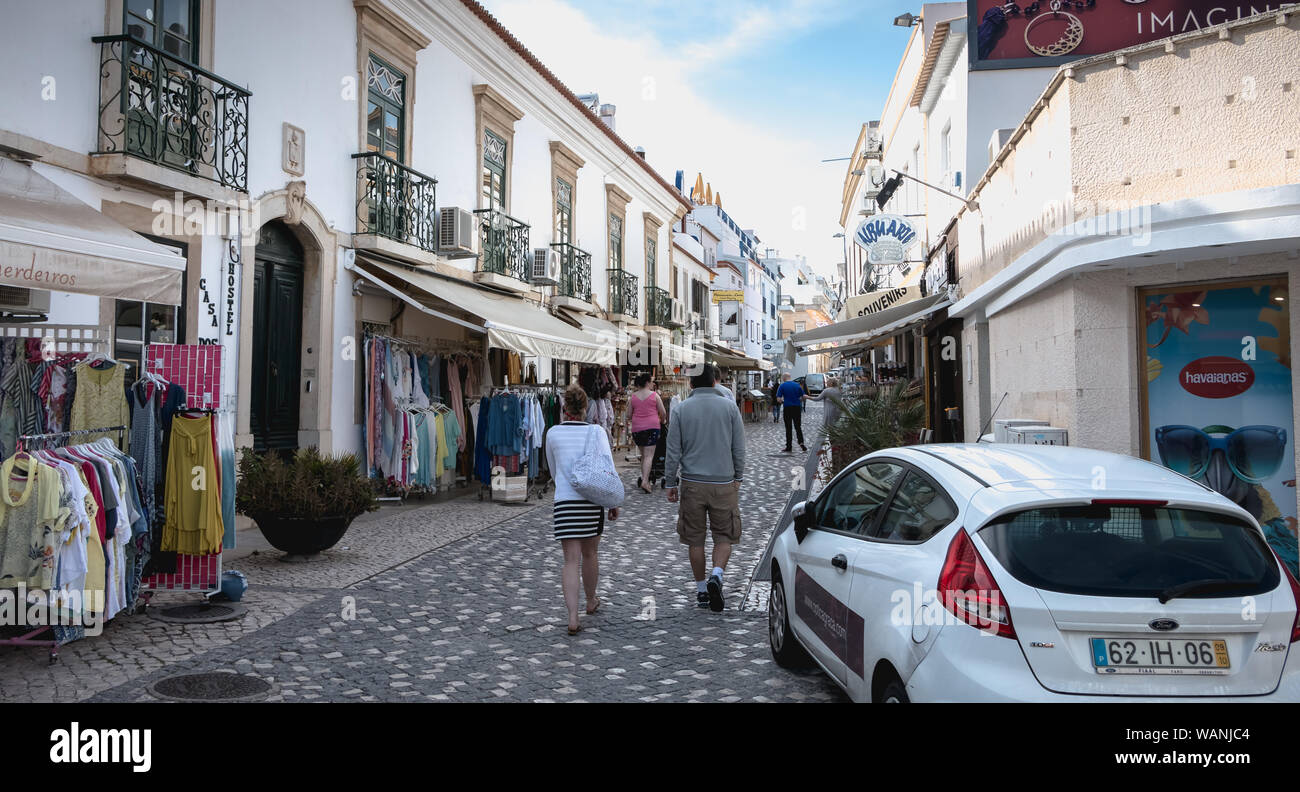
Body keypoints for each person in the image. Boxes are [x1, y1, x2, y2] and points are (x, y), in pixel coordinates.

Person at [664, 364, 746, 612]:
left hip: (692, 484)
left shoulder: (681, 409)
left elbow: (673, 450)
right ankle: (717, 575)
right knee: (725, 536)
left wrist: (670, 481)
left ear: (690, 384)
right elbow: (738, 447)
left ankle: (701, 590)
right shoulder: (730, 408)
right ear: (714, 382)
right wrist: (738, 476)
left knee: (695, 540)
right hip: (723, 483)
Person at [545, 384, 621, 635]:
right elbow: (607, 468)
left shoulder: (553, 433)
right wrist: (612, 502)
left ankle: (572, 617)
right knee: (590, 555)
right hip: (590, 502)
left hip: (565, 502)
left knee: (570, 561)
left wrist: (565, 486)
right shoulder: (597, 432)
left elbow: (553, 470)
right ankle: (591, 600)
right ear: (586, 407)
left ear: (565, 407)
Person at [628, 372, 667, 494]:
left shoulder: (632, 397)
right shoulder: (655, 396)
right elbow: (663, 412)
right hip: (652, 428)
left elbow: (629, 415)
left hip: (637, 429)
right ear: (647, 382)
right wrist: (663, 420)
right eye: (651, 382)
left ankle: (645, 479)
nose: (652, 384)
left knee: (644, 456)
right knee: (649, 456)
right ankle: (645, 481)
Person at [776, 372, 807, 453]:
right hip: (797, 408)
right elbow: (803, 397)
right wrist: (798, 400)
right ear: (790, 377)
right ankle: (801, 443)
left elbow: (778, 399)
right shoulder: (797, 385)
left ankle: (789, 446)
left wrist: (783, 401)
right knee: (798, 426)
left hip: (787, 408)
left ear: (784, 378)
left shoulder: (782, 386)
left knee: (788, 427)